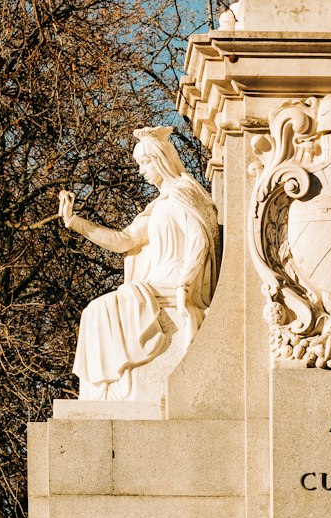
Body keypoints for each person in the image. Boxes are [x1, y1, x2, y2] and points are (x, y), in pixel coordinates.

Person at [58, 127, 218, 400]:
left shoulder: (183, 194)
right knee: (94, 311)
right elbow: (124, 240)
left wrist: (186, 283)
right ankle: (106, 390)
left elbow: (200, 241)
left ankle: (111, 389)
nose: (141, 171)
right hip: (158, 281)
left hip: (174, 281)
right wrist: (75, 222)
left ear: (160, 159)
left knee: (101, 310)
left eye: (144, 163)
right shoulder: (158, 205)